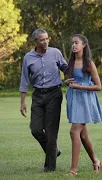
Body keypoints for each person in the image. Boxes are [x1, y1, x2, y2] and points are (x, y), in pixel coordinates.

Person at [19, 28, 68, 172]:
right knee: (35, 129)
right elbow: (24, 80)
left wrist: (75, 73)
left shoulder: (56, 53)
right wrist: (22, 102)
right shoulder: (28, 57)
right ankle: (54, 151)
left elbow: (65, 68)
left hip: (54, 94)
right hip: (38, 95)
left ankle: (50, 167)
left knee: (51, 132)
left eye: (47, 38)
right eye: (42, 39)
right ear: (35, 41)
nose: (46, 41)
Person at [65, 34, 102, 176]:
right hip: (74, 100)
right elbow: (71, 81)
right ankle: (96, 161)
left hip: (85, 101)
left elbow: (98, 86)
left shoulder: (89, 64)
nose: (74, 45)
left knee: (74, 131)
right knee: (83, 136)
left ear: (84, 45)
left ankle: (74, 169)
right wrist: (68, 83)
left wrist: (79, 87)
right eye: (72, 43)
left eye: (76, 43)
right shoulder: (71, 62)